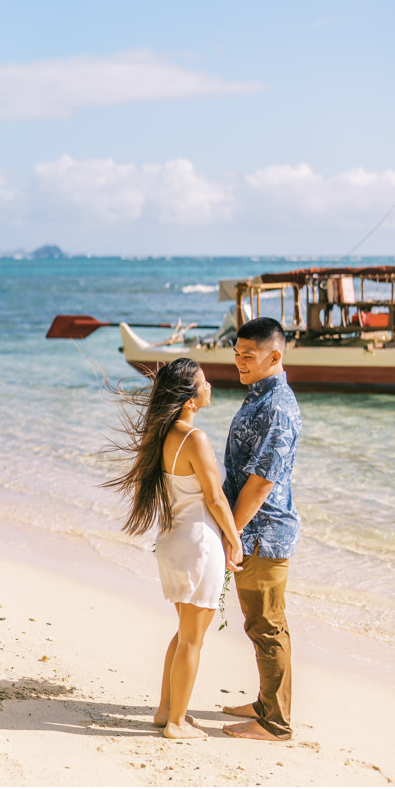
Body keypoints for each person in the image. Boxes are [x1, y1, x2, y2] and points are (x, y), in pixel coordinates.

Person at [103, 358, 244, 740]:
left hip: (173, 542)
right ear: (189, 399)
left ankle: (166, 710)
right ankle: (177, 723)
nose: (210, 385)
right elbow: (215, 499)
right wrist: (235, 539)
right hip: (199, 543)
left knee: (184, 633)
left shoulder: (162, 437)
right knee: (193, 639)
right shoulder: (194, 438)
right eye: (204, 381)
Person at [217, 316, 303, 741]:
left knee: (268, 625)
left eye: (248, 356)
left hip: (264, 533)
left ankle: (276, 724)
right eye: (236, 355)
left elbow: (262, 481)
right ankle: (266, 703)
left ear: (275, 355)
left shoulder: (278, 407)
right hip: (251, 530)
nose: (239, 363)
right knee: (259, 623)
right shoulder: (258, 397)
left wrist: (231, 532)